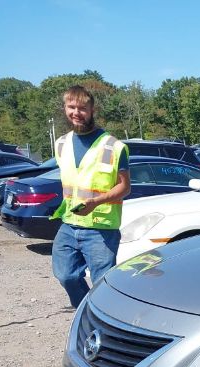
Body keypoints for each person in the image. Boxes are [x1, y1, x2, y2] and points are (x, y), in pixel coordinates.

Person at [51, 85, 130, 308]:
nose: (76, 112)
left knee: (102, 284)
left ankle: (103, 322)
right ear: (65, 108)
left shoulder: (114, 146)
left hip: (101, 228)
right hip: (69, 223)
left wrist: (95, 202)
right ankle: (87, 310)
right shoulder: (61, 144)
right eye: (71, 107)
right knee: (66, 275)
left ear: (92, 109)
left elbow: (125, 188)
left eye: (82, 108)